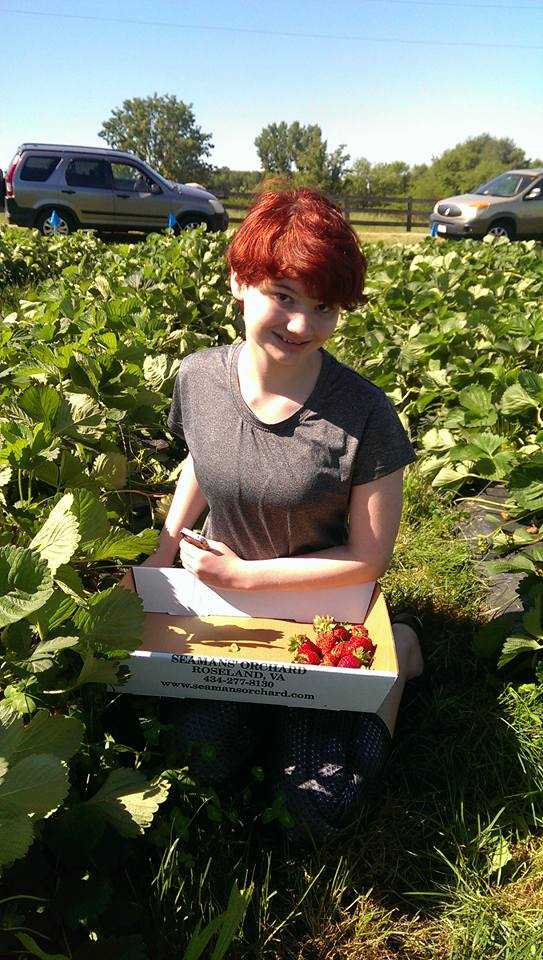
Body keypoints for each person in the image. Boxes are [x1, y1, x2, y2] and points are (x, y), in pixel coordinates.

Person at [122, 186, 423, 845]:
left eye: (323, 308)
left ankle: (397, 649)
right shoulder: (198, 377)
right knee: (202, 768)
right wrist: (164, 549)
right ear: (239, 281)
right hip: (223, 609)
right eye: (282, 296)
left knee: (324, 809)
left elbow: (370, 557)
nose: (300, 324)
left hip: (322, 610)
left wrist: (247, 579)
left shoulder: (364, 415)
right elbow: (203, 456)